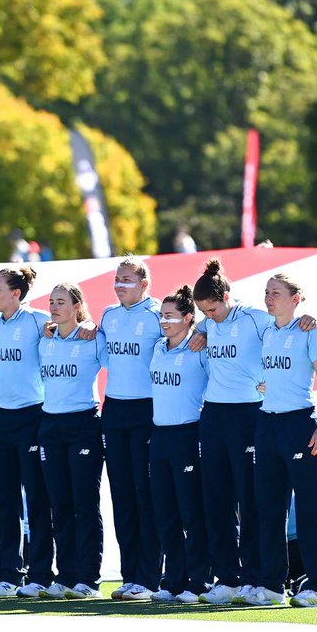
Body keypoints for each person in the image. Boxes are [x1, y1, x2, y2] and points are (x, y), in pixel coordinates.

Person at [188, 258, 316, 606]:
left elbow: (287, 328)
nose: (209, 316)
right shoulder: (208, 324)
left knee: (252, 499)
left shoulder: (255, 319)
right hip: (212, 414)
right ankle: (227, 578)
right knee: (216, 499)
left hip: (248, 414)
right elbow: (204, 324)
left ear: (226, 296)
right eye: (204, 312)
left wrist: (308, 319)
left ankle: (258, 576)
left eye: (212, 309)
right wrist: (201, 327)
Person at [247, 274, 317, 608]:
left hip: (299, 424)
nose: (270, 298)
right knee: (269, 507)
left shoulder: (310, 331)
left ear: (296, 298)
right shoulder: (268, 333)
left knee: (311, 507)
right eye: (267, 293)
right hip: (266, 423)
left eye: (277, 293)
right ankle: (271, 585)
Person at [0, 267, 55, 598]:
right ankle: (9, 573)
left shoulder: (39, 322)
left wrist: (82, 329)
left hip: (31, 418)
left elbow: (75, 330)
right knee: (4, 500)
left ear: (16, 293)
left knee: (37, 500)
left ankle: (40, 573)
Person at [36, 283, 108, 599]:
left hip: (83, 424)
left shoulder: (93, 339)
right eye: (51, 301)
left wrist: (93, 327)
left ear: (77, 306)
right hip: (50, 425)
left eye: (61, 302)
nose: (53, 307)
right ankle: (65, 576)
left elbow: (121, 365)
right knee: (59, 505)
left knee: (84, 504)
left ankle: (88, 579)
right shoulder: (45, 339)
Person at [100, 258, 163, 601]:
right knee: (122, 496)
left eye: (127, 280)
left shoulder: (156, 314)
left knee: (145, 496)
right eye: (117, 279)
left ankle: (149, 577)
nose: (120, 285)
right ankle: (129, 575)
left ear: (144, 284)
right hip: (114, 409)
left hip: (147, 410)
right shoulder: (109, 315)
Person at [148, 286, 210, 604]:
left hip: (188, 435)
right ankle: (173, 579)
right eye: (162, 315)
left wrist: (204, 331)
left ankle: (198, 582)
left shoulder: (200, 347)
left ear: (188, 318)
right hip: (160, 436)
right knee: (166, 512)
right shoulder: (158, 348)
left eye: (170, 315)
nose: (164, 321)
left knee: (191, 512)